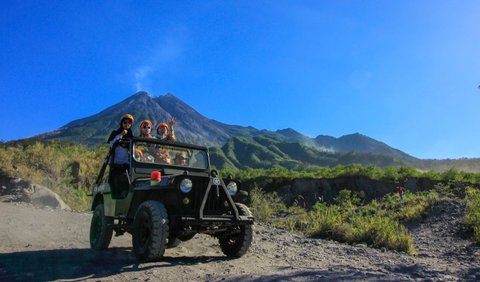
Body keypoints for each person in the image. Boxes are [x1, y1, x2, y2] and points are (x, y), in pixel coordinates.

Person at [107, 114, 134, 198]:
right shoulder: (115, 133)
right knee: (113, 181)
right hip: (115, 163)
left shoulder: (131, 136)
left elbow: (133, 148)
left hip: (125, 163)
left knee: (126, 180)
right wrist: (121, 135)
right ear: (122, 123)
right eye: (125, 122)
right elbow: (112, 144)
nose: (127, 124)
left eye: (129, 123)